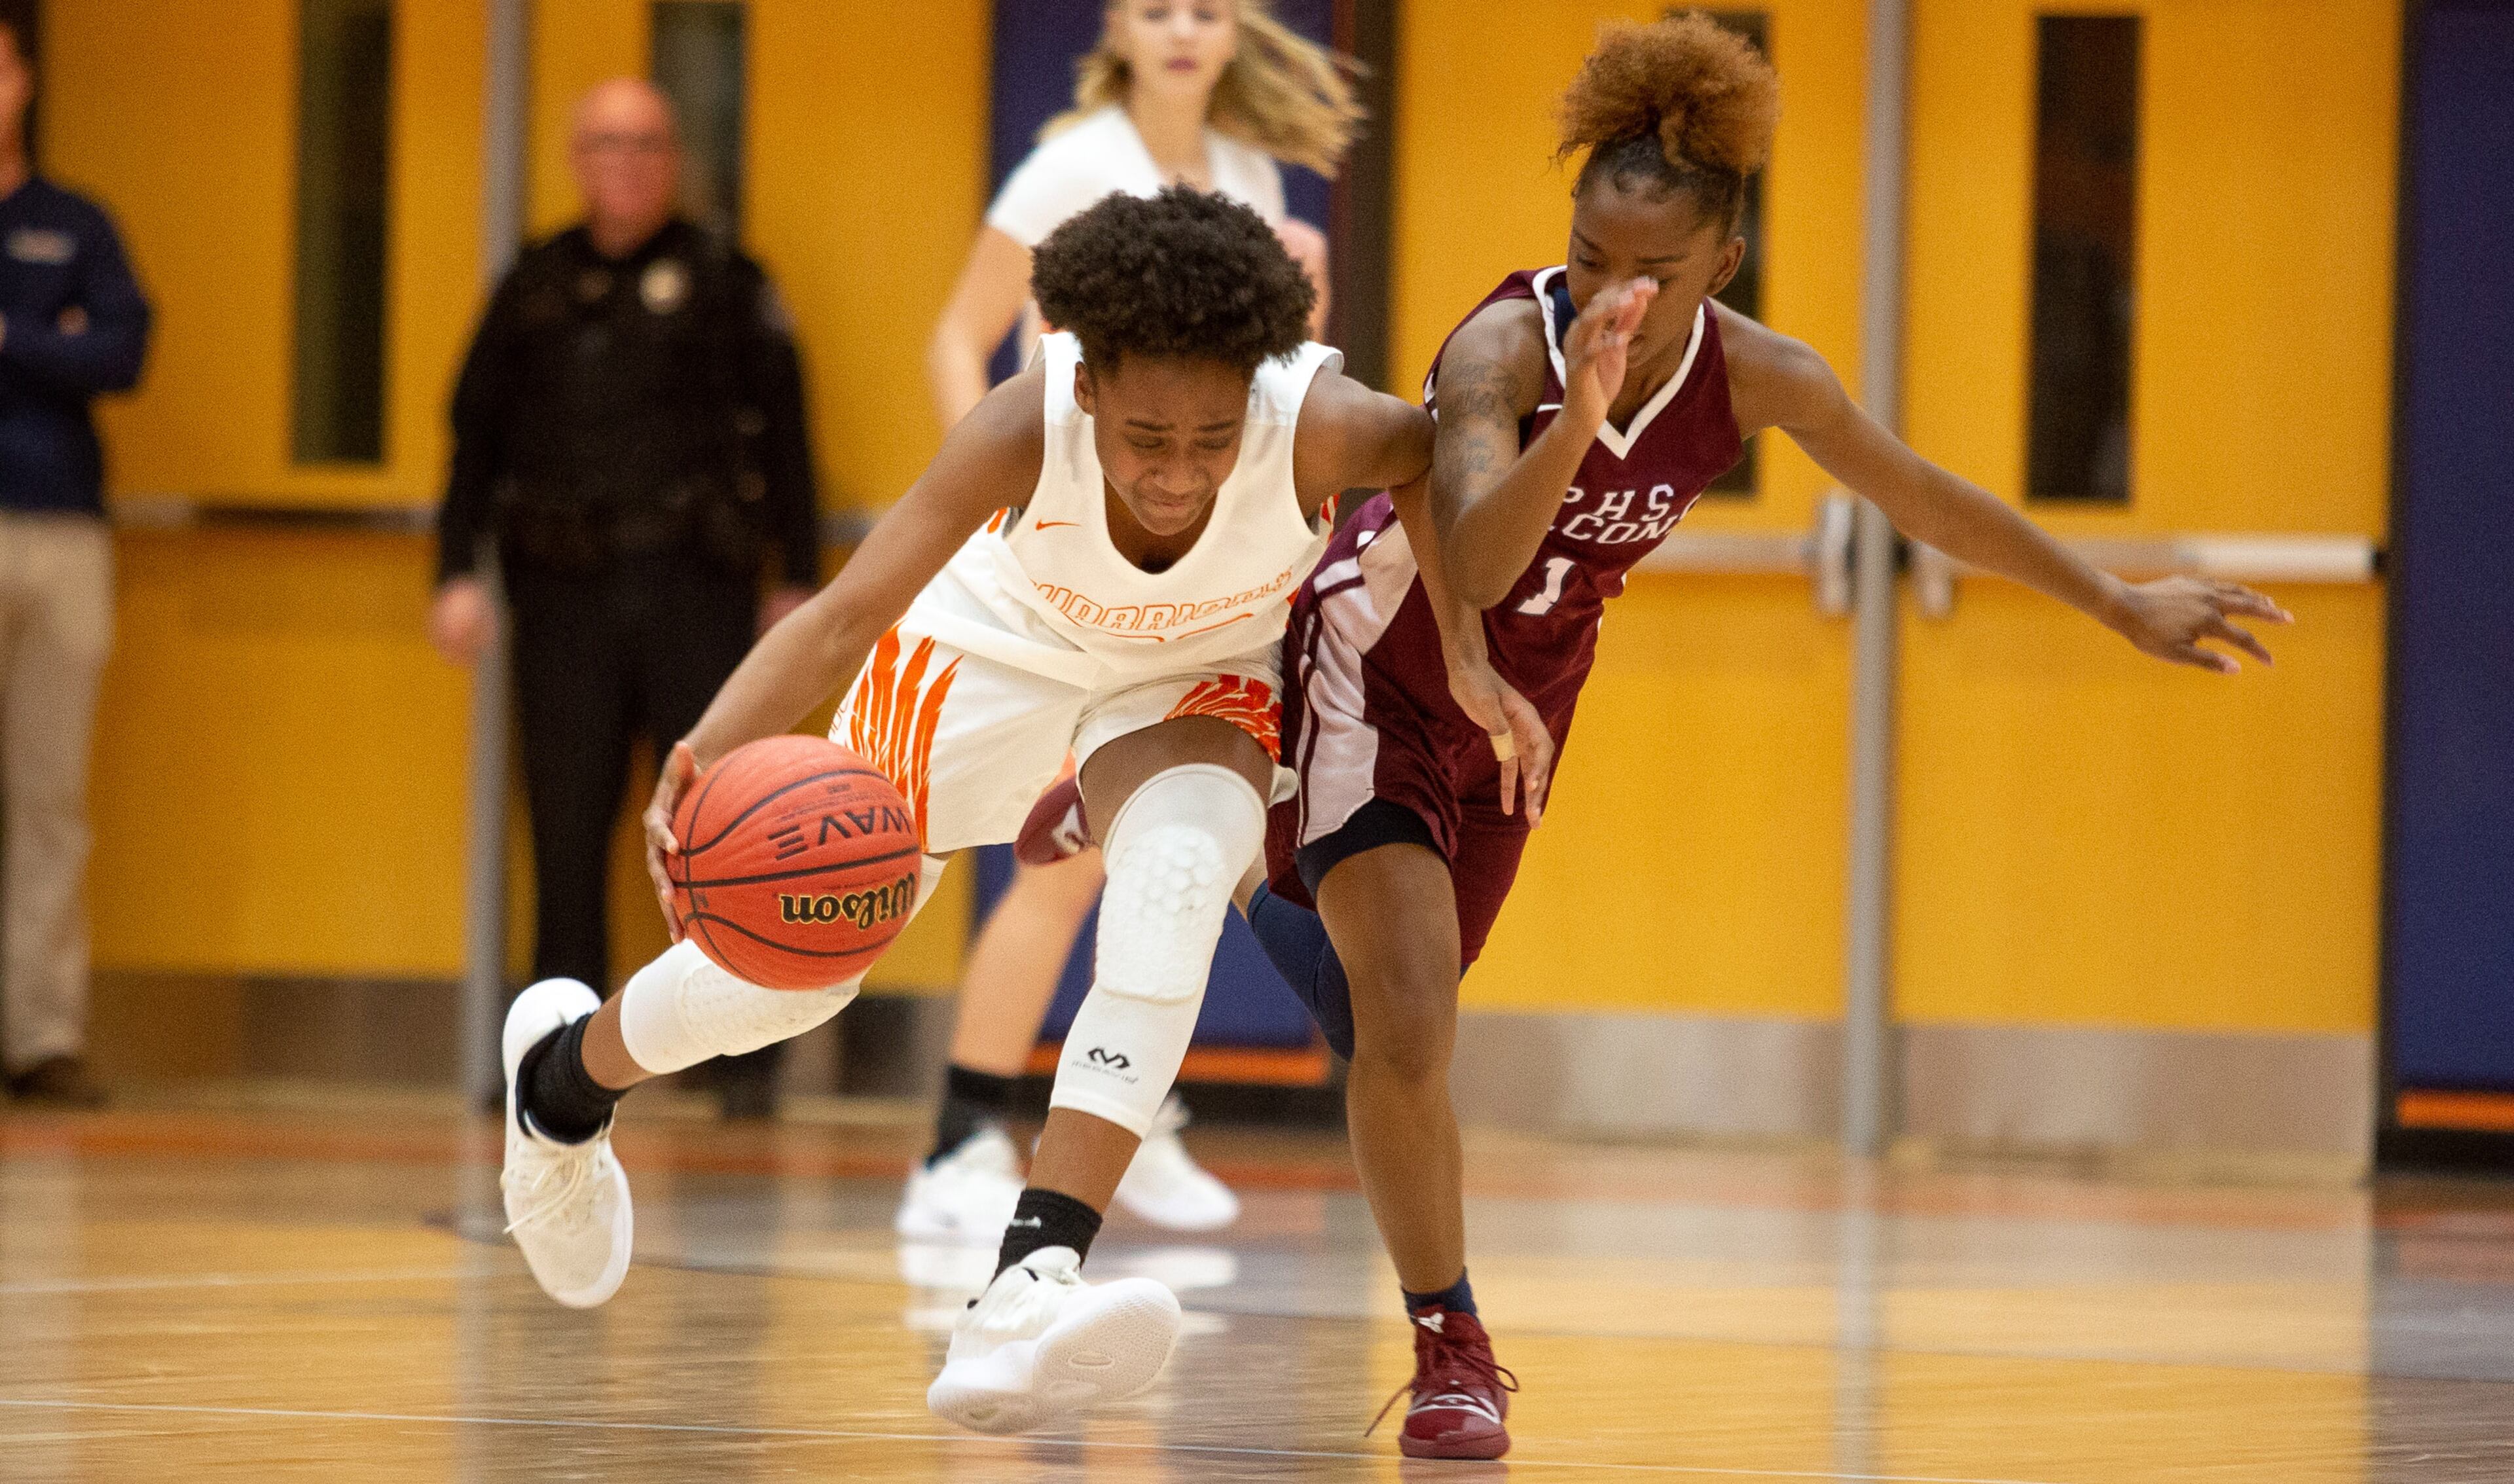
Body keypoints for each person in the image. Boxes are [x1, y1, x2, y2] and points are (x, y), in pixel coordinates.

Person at [1013, 13, 2293, 1458]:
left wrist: (2117, 601)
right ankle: (1454, 1348)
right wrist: (1583, 417)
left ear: (1725, 267)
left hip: (1524, 703)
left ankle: (1195, 807)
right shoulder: (1502, 347)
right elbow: (1482, 565)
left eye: (1656, 274)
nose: (1612, 291)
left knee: (1375, 1018)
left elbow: (1921, 494)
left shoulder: (1766, 377)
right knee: (1412, 1013)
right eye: (1593, 254)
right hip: (1379, 662)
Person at [492, 189, 1434, 1439]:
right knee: (805, 969)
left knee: (1168, 896)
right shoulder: (1023, 421)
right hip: (1000, 645)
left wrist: (1479, 650)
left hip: (1202, 670)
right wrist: (706, 748)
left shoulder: (1326, 422)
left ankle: (1023, 1291)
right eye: (1148, 435)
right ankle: (560, 1084)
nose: (1179, 473)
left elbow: (1457, 465)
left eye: (1213, 440)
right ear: (1086, 384)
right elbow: (842, 614)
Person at [906, 0, 1362, 1243]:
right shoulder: (1073, 162)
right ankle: (960, 1139)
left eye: (1206, 10)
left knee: (1170, 857)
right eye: (1158, 7)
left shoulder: (1247, 173)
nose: (1181, 30)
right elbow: (959, 332)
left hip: (1192, 564)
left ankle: (1127, 1119)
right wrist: (996, 492)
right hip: (1065, 558)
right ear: (1120, 24)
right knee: (1059, 868)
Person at [429, 79, 820, 1120]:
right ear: (575, 156)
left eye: (647, 142)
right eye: (606, 142)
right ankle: (554, 1054)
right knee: (565, 829)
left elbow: (788, 437)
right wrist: (455, 572)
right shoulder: (536, 285)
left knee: (718, 826)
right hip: (564, 595)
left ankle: (740, 1052)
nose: (627, 161)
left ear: (675, 158)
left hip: (700, 587)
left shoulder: (730, 282)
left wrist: (796, 578)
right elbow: (474, 438)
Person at [0, 17, 150, 1108]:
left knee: (49, 791)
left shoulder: (73, 222)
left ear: (24, 79)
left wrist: (19, 342)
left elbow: (121, 350)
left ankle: (41, 1031)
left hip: (59, 528)